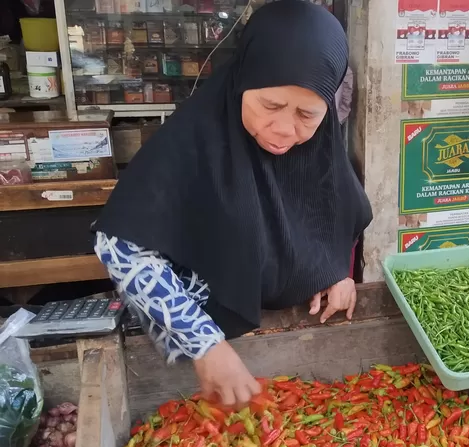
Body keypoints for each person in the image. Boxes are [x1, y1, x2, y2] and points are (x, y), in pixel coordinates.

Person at [93, 0, 372, 407]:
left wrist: (335, 273)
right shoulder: (193, 140)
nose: (284, 129)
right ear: (243, 81)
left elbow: (332, 214)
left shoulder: (321, 144)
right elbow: (120, 249)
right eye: (270, 106)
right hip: (202, 331)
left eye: (307, 114)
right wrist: (203, 342)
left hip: (284, 331)